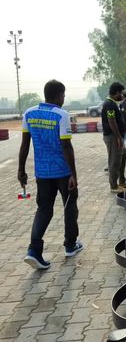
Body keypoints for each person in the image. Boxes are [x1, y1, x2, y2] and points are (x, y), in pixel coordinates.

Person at [17, 79, 83, 270]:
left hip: (42, 173)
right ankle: (70, 245)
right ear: (59, 95)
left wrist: (21, 169)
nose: (64, 98)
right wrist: (73, 175)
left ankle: (34, 250)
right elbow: (66, 146)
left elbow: (24, 144)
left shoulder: (29, 114)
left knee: (44, 209)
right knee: (70, 206)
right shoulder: (61, 115)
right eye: (63, 95)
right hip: (62, 172)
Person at [102, 82, 126, 193]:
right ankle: (114, 186)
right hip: (113, 137)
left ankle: (121, 181)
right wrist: (118, 137)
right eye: (121, 93)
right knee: (114, 161)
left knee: (122, 157)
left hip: (117, 136)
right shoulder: (109, 104)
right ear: (117, 92)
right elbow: (111, 121)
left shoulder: (113, 103)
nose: (122, 95)